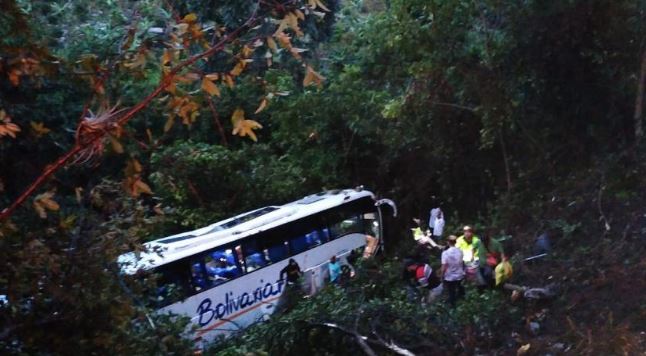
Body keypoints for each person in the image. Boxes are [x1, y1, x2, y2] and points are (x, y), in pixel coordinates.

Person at [441, 235, 465, 307]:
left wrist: (442, 275)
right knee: (460, 289)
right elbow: (462, 262)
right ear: (455, 242)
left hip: (449, 277)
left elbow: (444, 266)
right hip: (460, 275)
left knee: (451, 292)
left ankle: (453, 306)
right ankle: (463, 304)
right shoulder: (460, 251)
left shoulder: (445, 253)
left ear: (448, 242)